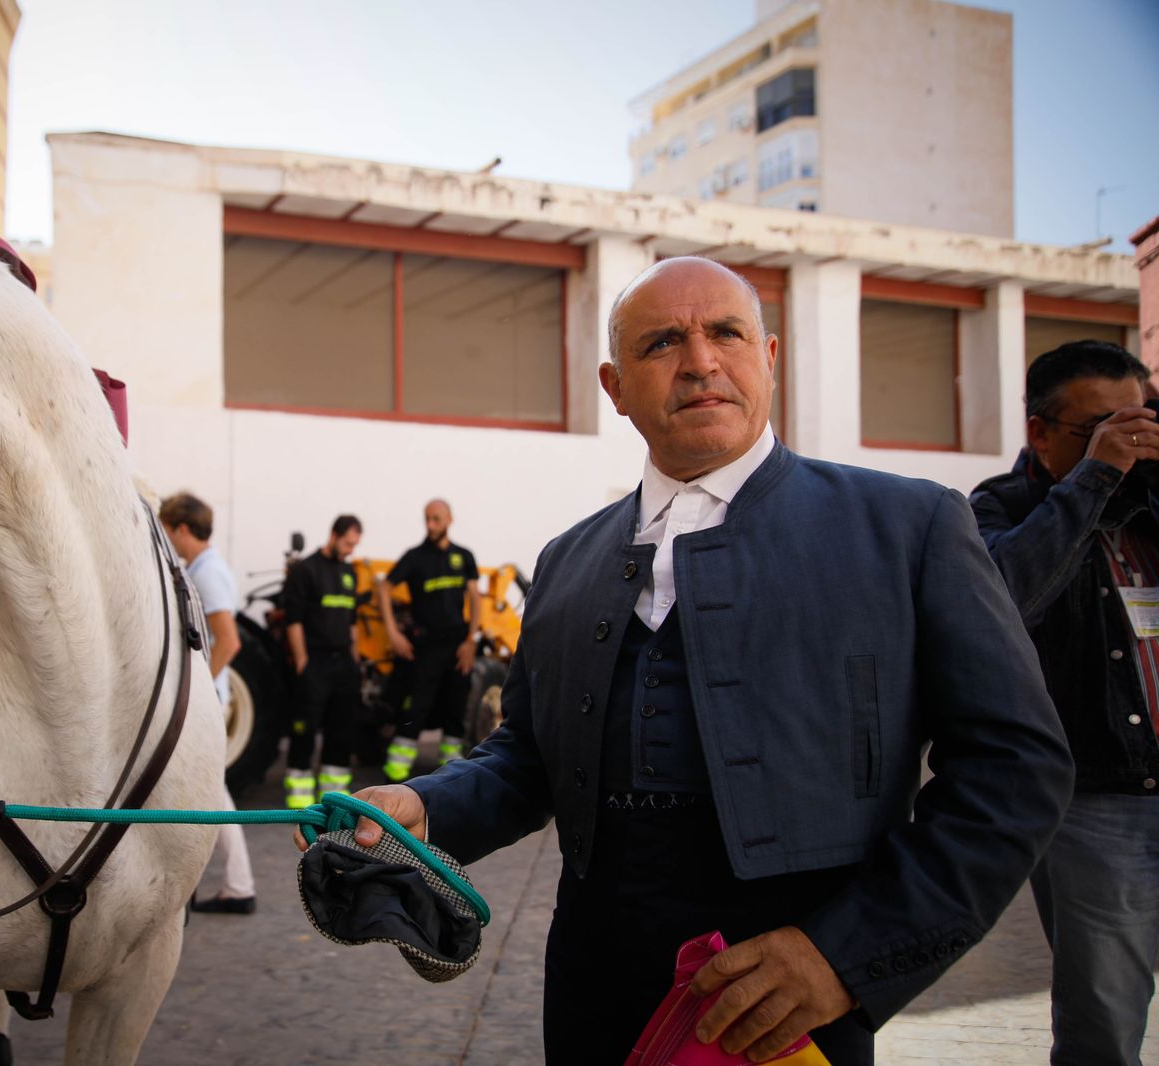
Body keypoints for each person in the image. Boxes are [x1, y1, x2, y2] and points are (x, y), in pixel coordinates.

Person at [324, 257, 1073, 1065]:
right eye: (662, 343)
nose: (701, 361)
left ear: (771, 358)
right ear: (615, 387)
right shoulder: (568, 558)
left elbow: (1014, 768)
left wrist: (846, 956)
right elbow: (528, 759)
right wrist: (421, 805)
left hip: (785, 1010)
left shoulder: (906, 527)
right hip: (593, 998)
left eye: (726, 333)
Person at [969, 340, 1159, 1066]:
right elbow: (1003, 604)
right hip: (1095, 801)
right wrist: (1094, 478)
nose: (1127, 439)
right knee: (1103, 1027)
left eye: (1137, 421)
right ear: (1040, 432)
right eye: (1098, 428)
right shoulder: (999, 507)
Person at [160, 492, 257, 915]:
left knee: (212, 792)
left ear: (182, 529)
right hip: (207, 696)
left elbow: (229, 641)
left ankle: (237, 885)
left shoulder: (208, 572)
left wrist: (197, 686)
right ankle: (235, 884)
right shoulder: (203, 568)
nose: (166, 539)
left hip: (205, 699)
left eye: (167, 530)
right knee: (213, 792)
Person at [377, 499, 482, 782]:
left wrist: (471, 640)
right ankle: (395, 777)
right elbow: (384, 587)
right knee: (417, 707)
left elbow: (475, 598)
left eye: (436, 519)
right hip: (427, 646)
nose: (431, 525)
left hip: (458, 645)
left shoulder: (464, 556)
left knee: (456, 708)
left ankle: (453, 774)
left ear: (449, 519)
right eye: (427, 519)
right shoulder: (415, 557)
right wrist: (393, 633)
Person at [281, 515, 364, 810]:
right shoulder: (306, 570)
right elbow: (293, 621)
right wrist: (302, 661)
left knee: (341, 731)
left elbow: (351, 621)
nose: (350, 550)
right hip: (315, 662)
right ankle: (300, 798)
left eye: (354, 545)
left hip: (343, 663)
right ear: (333, 535)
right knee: (305, 730)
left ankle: (335, 798)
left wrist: (355, 660)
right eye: (347, 543)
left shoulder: (349, 572)